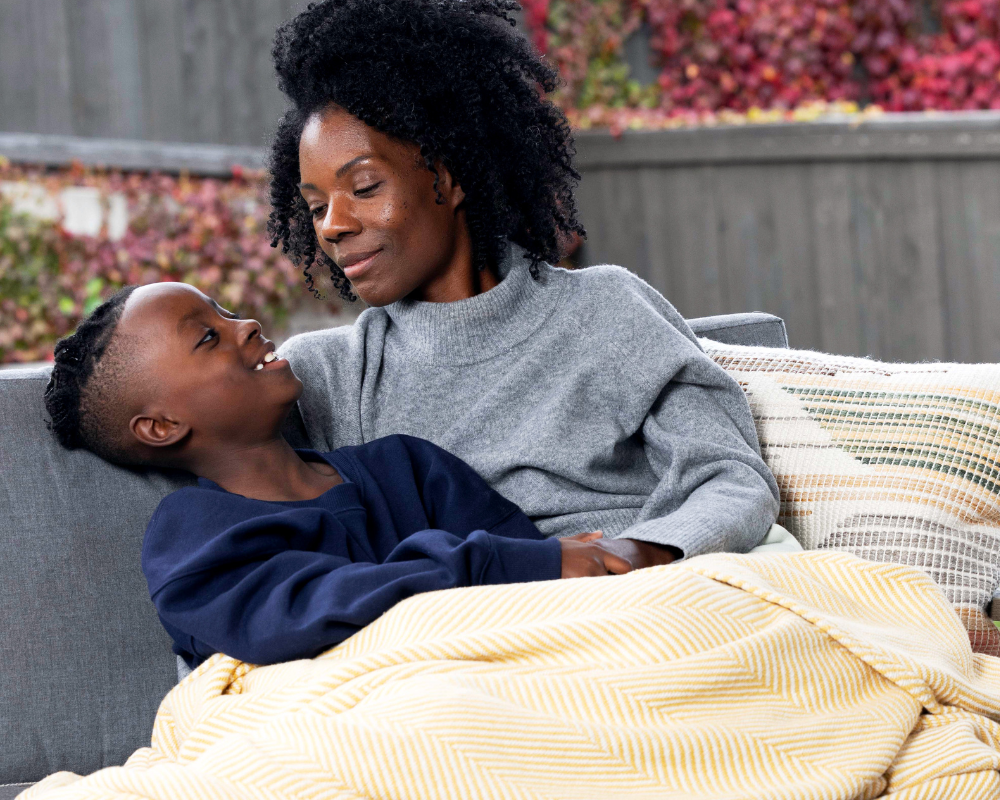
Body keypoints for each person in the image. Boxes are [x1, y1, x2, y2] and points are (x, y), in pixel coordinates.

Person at [268, 0, 786, 570]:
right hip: (462, 625)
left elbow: (730, 477)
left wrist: (634, 554)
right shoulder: (326, 374)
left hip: (641, 593)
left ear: (454, 175)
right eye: (315, 206)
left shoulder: (606, 310)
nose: (332, 226)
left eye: (364, 188)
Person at [42, 282, 641, 669]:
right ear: (161, 426)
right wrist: (489, 565)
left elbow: (542, 599)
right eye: (208, 336)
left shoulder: (407, 467)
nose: (245, 324)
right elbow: (300, 618)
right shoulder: (193, 533)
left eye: (226, 310)